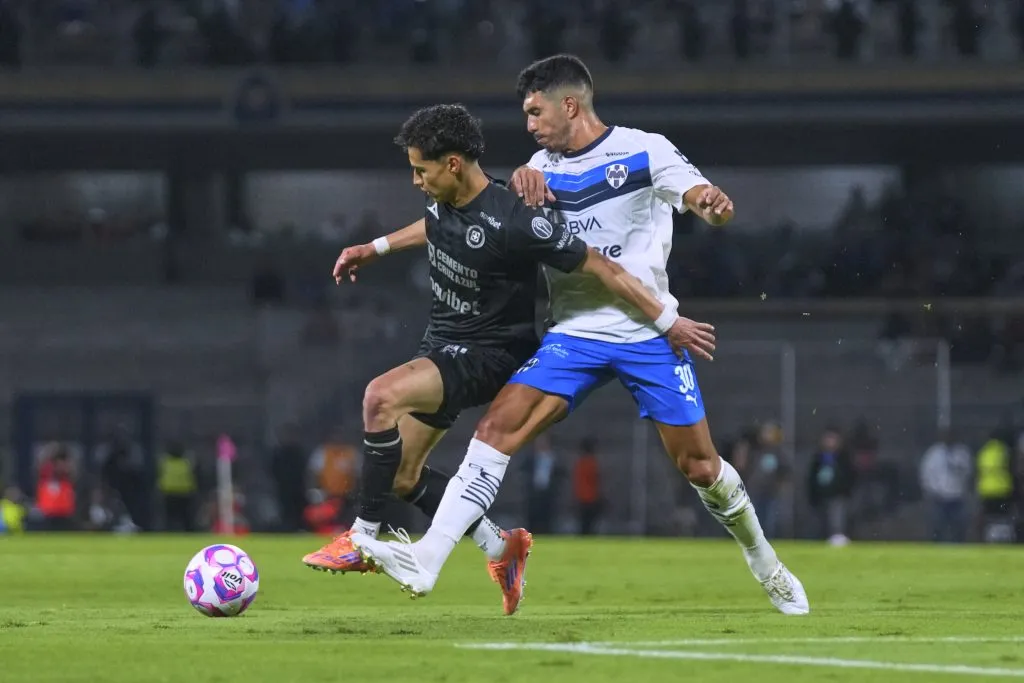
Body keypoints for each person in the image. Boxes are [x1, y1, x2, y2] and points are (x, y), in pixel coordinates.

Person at [351, 54, 809, 616]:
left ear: (569, 105)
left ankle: (765, 561)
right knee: (495, 430)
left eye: (534, 112)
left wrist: (711, 207)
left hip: (648, 332)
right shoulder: (533, 172)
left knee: (701, 468)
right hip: (573, 334)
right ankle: (427, 560)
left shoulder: (645, 150)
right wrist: (379, 246)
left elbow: (700, 200)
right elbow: (461, 216)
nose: (528, 124)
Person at [302, 103, 717, 615]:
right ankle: (502, 548)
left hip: (489, 353)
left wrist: (666, 320)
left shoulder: (516, 219)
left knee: (379, 397)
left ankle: (361, 536)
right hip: (443, 344)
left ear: (453, 164)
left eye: (421, 170)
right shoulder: (444, 197)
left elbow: (599, 266)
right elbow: (435, 226)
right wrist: (376, 247)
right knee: (405, 476)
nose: (415, 181)